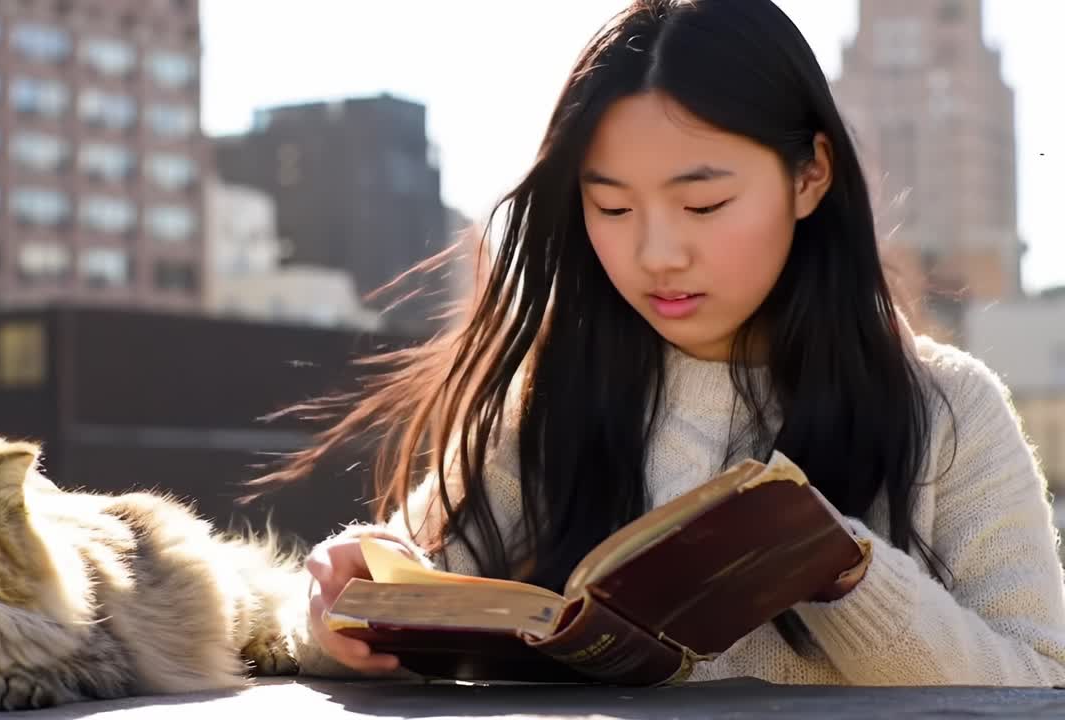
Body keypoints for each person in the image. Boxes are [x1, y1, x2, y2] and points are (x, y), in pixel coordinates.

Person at [252, 0, 1065, 686]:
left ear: (810, 176)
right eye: (612, 208)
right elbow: (340, 629)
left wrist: (846, 572)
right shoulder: (547, 405)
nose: (656, 254)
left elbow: (1039, 679)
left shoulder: (950, 410)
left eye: (703, 205)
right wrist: (343, 599)